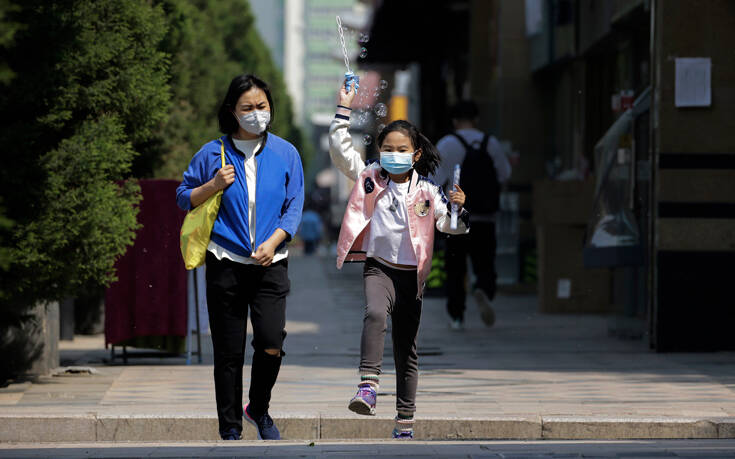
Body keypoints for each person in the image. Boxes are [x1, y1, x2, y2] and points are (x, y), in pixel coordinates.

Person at [328, 82, 470, 439]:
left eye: (402, 149)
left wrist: (457, 208)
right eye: (387, 148)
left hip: (412, 277)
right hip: (379, 268)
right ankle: (368, 387)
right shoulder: (370, 179)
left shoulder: (427, 192)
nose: (394, 154)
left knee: (407, 350)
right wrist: (343, 110)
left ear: (416, 154)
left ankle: (404, 421)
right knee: (375, 313)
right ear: (378, 151)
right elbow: (342, 152)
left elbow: (450, 227)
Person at [176, 74, 304, 441]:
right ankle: (230, 428)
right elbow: (183, 197)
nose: (255, 114)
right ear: (232, 111)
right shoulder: (211, 153)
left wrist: (276, 240)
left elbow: (293, 204)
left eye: (261, 106)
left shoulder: (286, 153)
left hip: (270, 263)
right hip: (224, 262)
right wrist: (213, 185)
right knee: (228, 353)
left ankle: (258, 408)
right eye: (247, 107)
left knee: (270, 342)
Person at [432, 100, 512, 331]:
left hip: (456, 219)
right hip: (485, 217)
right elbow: (504, 174)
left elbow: (435, 181)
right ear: (476, 119)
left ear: (454, 121)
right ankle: (483, 290)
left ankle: (457, 317)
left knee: (455, 270)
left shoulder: (447, 144)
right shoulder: (491, 143)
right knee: (485, 263)